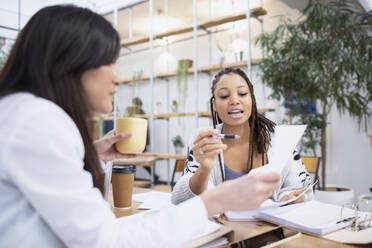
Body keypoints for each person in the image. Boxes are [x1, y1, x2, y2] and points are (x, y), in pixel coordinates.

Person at [0, 5, 281, 247]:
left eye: (243, 94)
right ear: (68, 63)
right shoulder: (38, 121)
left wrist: (93, 155)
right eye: (109, 63)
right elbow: (104, 240)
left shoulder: (26, 114)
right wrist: (214, 200)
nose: (118, 78)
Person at [172, 68, 313, 205]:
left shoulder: (279, 139)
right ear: (214, 104)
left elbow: (303, 188)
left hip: (273, 227)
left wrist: (287, 198)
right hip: (224, 228)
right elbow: (180, 200)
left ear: (251, 98)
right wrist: (204, 169)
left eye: (242, 93)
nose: (234, 100)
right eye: (224, 96)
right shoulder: (204, 139)